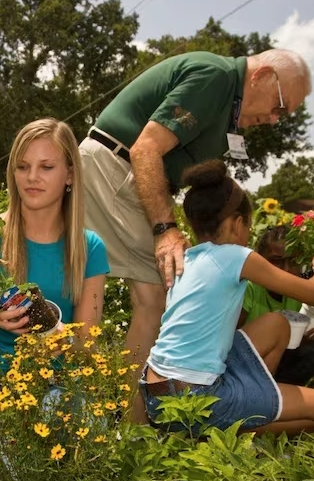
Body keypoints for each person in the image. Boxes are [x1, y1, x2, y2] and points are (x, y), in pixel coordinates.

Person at [79, 49, 312, 420]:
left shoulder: (227, 105)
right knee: (155, 298)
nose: (273, 120)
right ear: (262, 76)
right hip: (117, 168)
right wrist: (165, 229)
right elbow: (146, 149)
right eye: (280, 107)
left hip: (124, 173)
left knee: (155, 297)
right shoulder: (215, 78)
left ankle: (134, 421)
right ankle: (132, 427)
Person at [139, 159, 314, 436]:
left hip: (155, 393)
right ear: (237, 224)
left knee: (277, 324)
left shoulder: (188, 258)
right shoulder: (236, 256)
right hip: (195, 399)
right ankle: (231, 427)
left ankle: (248, 407)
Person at [0, 118, 109, 367]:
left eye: (46, 167)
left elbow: (86, 348)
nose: (32, 177)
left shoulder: (89, 247)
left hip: (60, 389)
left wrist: (55, 334)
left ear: (70, 175)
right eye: (22, 166)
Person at [239, 226, 314, 386]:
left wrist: (304, 340)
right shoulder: (249, 287)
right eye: (276, 260)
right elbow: (229, 339)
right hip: (244, 367)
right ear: (259, 259)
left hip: (279, 363)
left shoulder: (299, 289)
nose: (286, 269)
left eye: (293, 261)